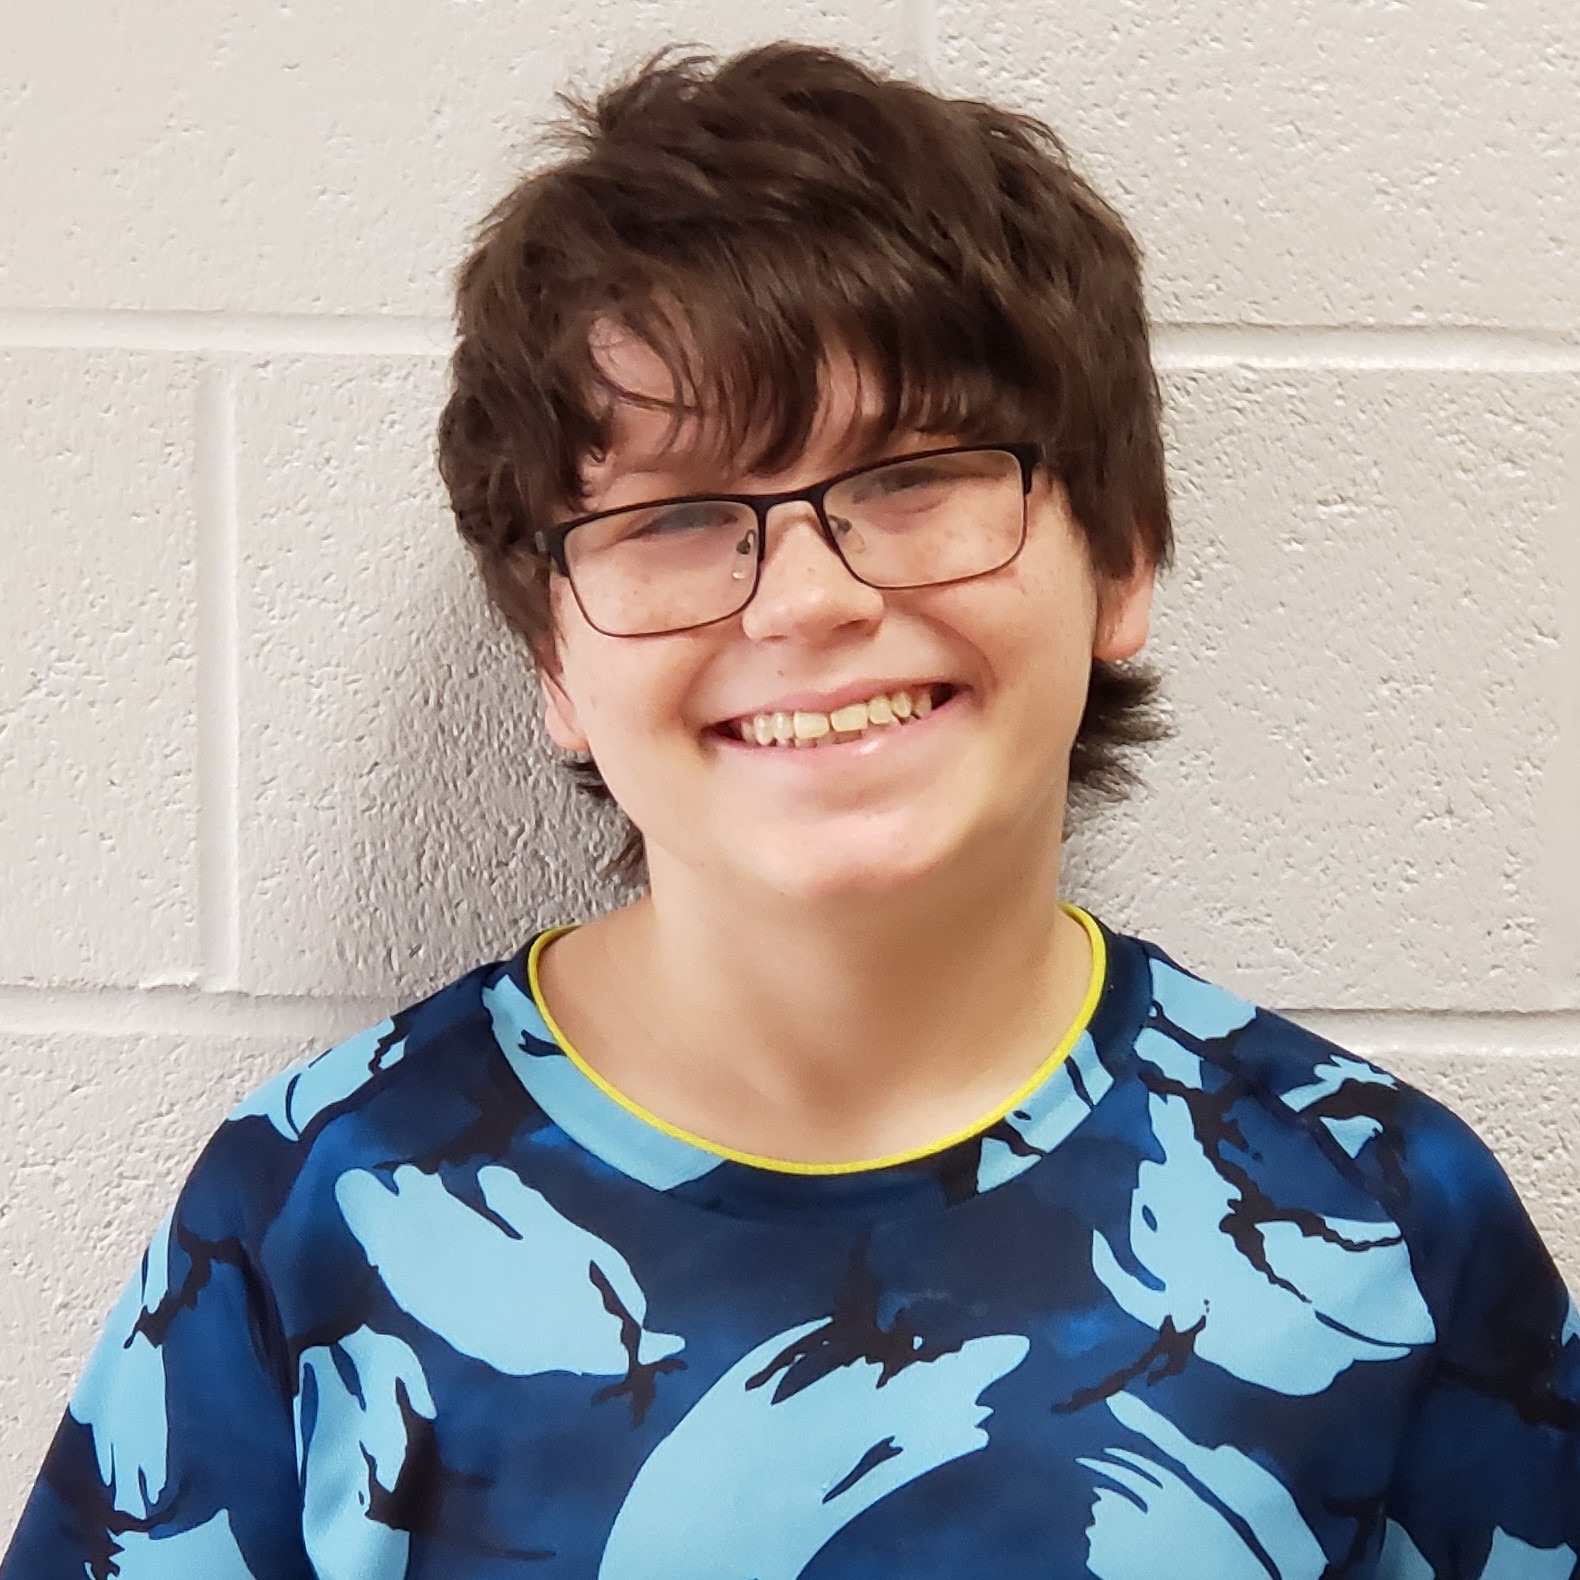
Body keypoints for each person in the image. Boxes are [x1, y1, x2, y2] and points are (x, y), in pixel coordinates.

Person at [4, 40, 1577, 1580]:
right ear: (551, 656)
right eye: (681, 514)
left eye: (915, 474)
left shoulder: (1376, 1219)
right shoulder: (314, 1214)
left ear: (1120, 559)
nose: (811, 600)